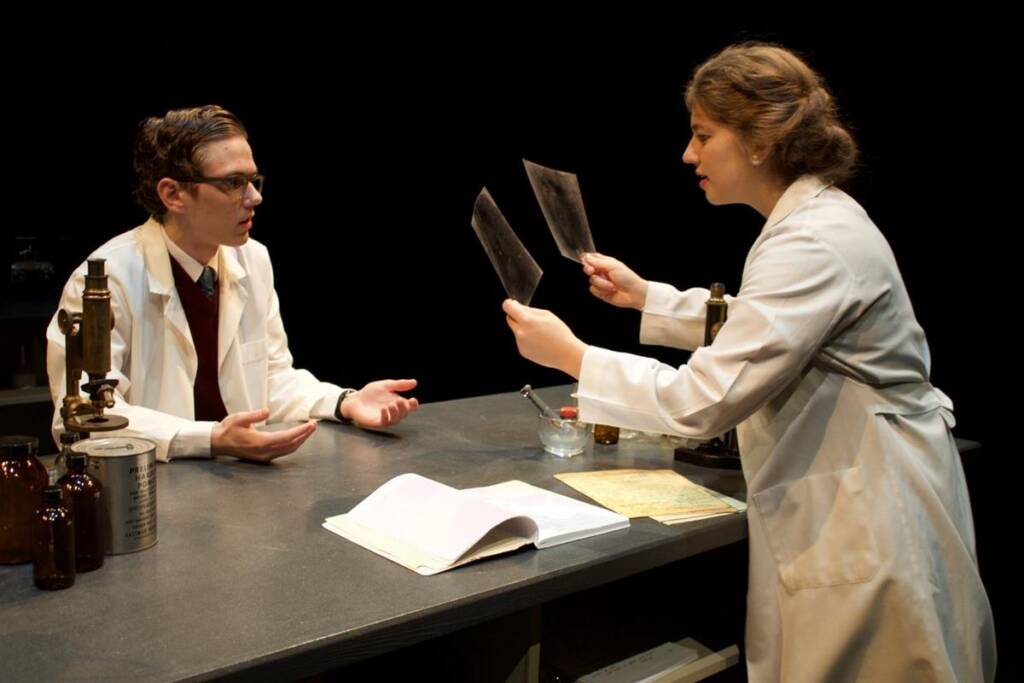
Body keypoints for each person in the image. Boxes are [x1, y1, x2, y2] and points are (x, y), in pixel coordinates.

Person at [502, 43, 996, 681]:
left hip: (870, 508)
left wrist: (574, 356)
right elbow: (771, 325)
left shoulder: (812, 241)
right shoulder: (812, 223)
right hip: (858, 488)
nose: (688, 154)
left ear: (761, 141)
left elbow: (701, 401)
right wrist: (645, 297)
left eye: (704, 135)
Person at [47, 105, 418, 463]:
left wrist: (343, 402)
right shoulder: (105, 280)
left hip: (239, 489)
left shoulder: (253, 260)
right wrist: (211, 440)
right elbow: (84, 420)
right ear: (173, 194)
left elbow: (272, 378)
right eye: (233, 183)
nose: (255, 197)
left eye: (253, 180)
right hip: (153, 490)